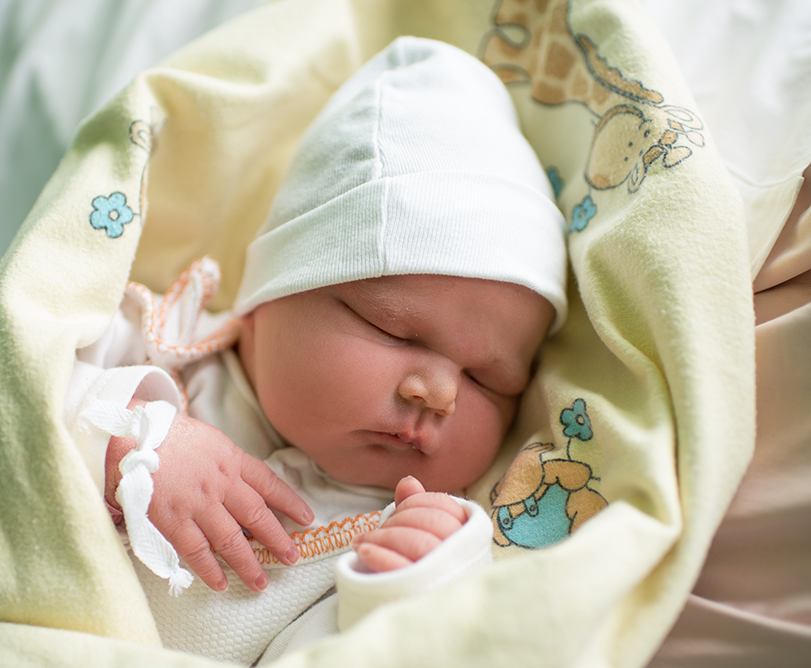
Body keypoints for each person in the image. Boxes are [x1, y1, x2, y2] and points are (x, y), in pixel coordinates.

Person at [64, 36, 567, 664]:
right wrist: (131, 437)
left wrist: (409, 589)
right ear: (267, 299)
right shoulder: (160, 349)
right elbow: (18, 392)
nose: (439, 394)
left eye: (490, 380)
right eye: (394, 330)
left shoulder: (405, 529)